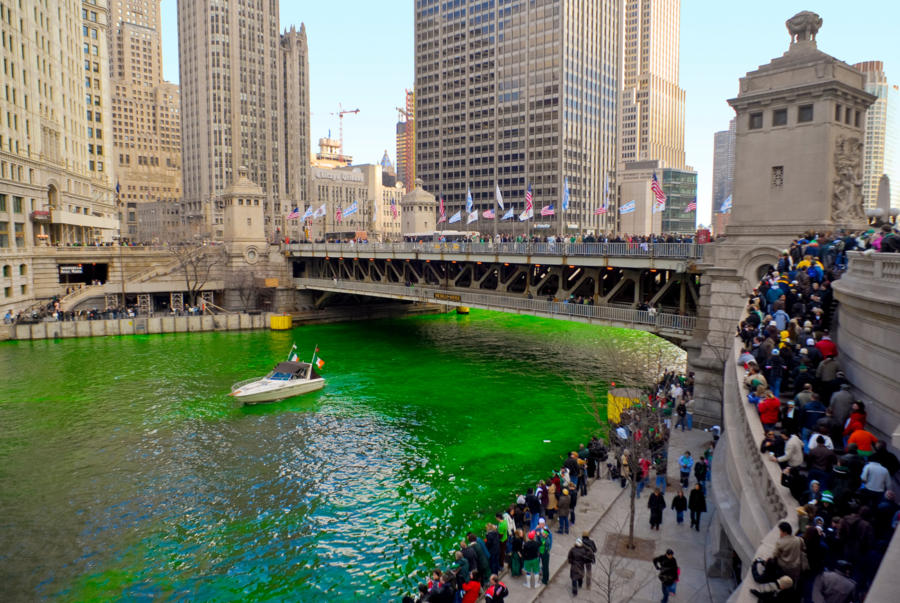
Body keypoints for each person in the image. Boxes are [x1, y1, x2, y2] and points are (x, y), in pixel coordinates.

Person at [537, 518, 553, 586]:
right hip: (542, 552)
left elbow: (541, 542)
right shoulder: (544, 537)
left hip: (545, 553)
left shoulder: (547, 540)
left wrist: (539, 535)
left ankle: (545, 580)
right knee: (544, 565)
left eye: (543, 533)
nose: (542, 533)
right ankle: (544, 577)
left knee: (545, 566)